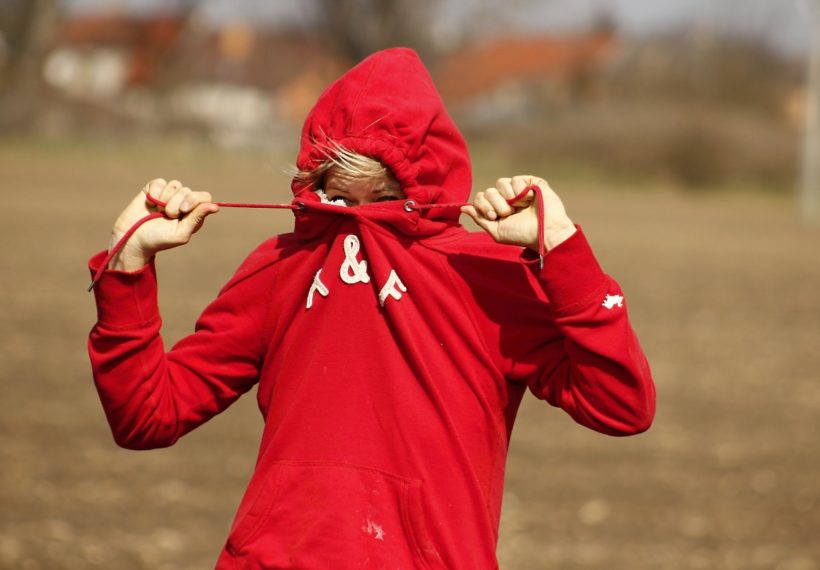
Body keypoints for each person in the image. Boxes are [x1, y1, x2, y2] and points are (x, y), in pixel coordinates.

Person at [88, 47, 655, 569]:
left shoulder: (487, 271)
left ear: (426, 179)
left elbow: (621, 406)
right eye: (337, 195)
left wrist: (561, 249)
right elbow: (146, 417)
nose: (359, 217)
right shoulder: (280, 265)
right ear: (313, 179)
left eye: (383, 198)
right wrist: (128, 267)